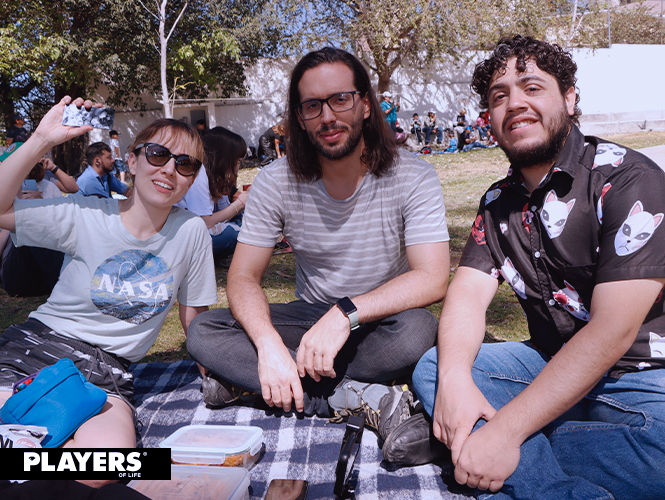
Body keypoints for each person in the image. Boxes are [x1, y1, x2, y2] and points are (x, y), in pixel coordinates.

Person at [410, 35, 665, 499]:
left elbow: (612, 332)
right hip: (547, 365)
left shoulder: (629, 179)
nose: (514, 103)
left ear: (569, 99)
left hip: (643, 381)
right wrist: (454, 381)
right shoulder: (497, 202)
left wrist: (506, 431)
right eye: (499, 96)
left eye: (532, 87)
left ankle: (478, 446)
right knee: (436, 368)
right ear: (489, 118)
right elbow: (466, 296)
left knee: (658, 458)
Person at [186, 48, 449, 449]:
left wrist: (345, 315)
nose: (327, 117)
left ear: (365, 105)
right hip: (308, 319)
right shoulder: (276, 181)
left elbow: (432, 278)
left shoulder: (413, 175)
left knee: (419, 331)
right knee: (204, 332)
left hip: (379, 320)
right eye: (312, 106)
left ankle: (257, 384)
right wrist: (268, 346)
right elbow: (242, 276)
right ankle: (356, 397)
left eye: (340, 99)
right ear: (299, 118)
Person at [0, 97, 217, 485]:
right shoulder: (86, 213)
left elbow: (194, 318)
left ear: (191, 178)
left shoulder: (191, 232)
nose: (169, 169)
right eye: (158, 154)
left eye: (185, 164)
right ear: (131, 161)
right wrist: (40, 140)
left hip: (106, 371)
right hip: (36, 349)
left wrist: (215, 374)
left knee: (109, 468)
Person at [176, 127, 249, 265]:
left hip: (204, 230)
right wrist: (239, 203)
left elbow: (224, 212)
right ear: (225, 158)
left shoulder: (215, 175)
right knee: (236, 233)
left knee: (245, 218)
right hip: (187, 239)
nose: (238, 167)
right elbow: (205, 222)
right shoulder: (199, 175)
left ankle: (230, 250)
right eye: (238, 161)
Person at [0, 157, 68, 297]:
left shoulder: (48, 187)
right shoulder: (3, 196)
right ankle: (62, 287)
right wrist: (14, 221)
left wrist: (41, 207)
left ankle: (63, 284)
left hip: (43, 279)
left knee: (37, 223)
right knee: (29, 225)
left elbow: (63, 227)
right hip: (17, 277)